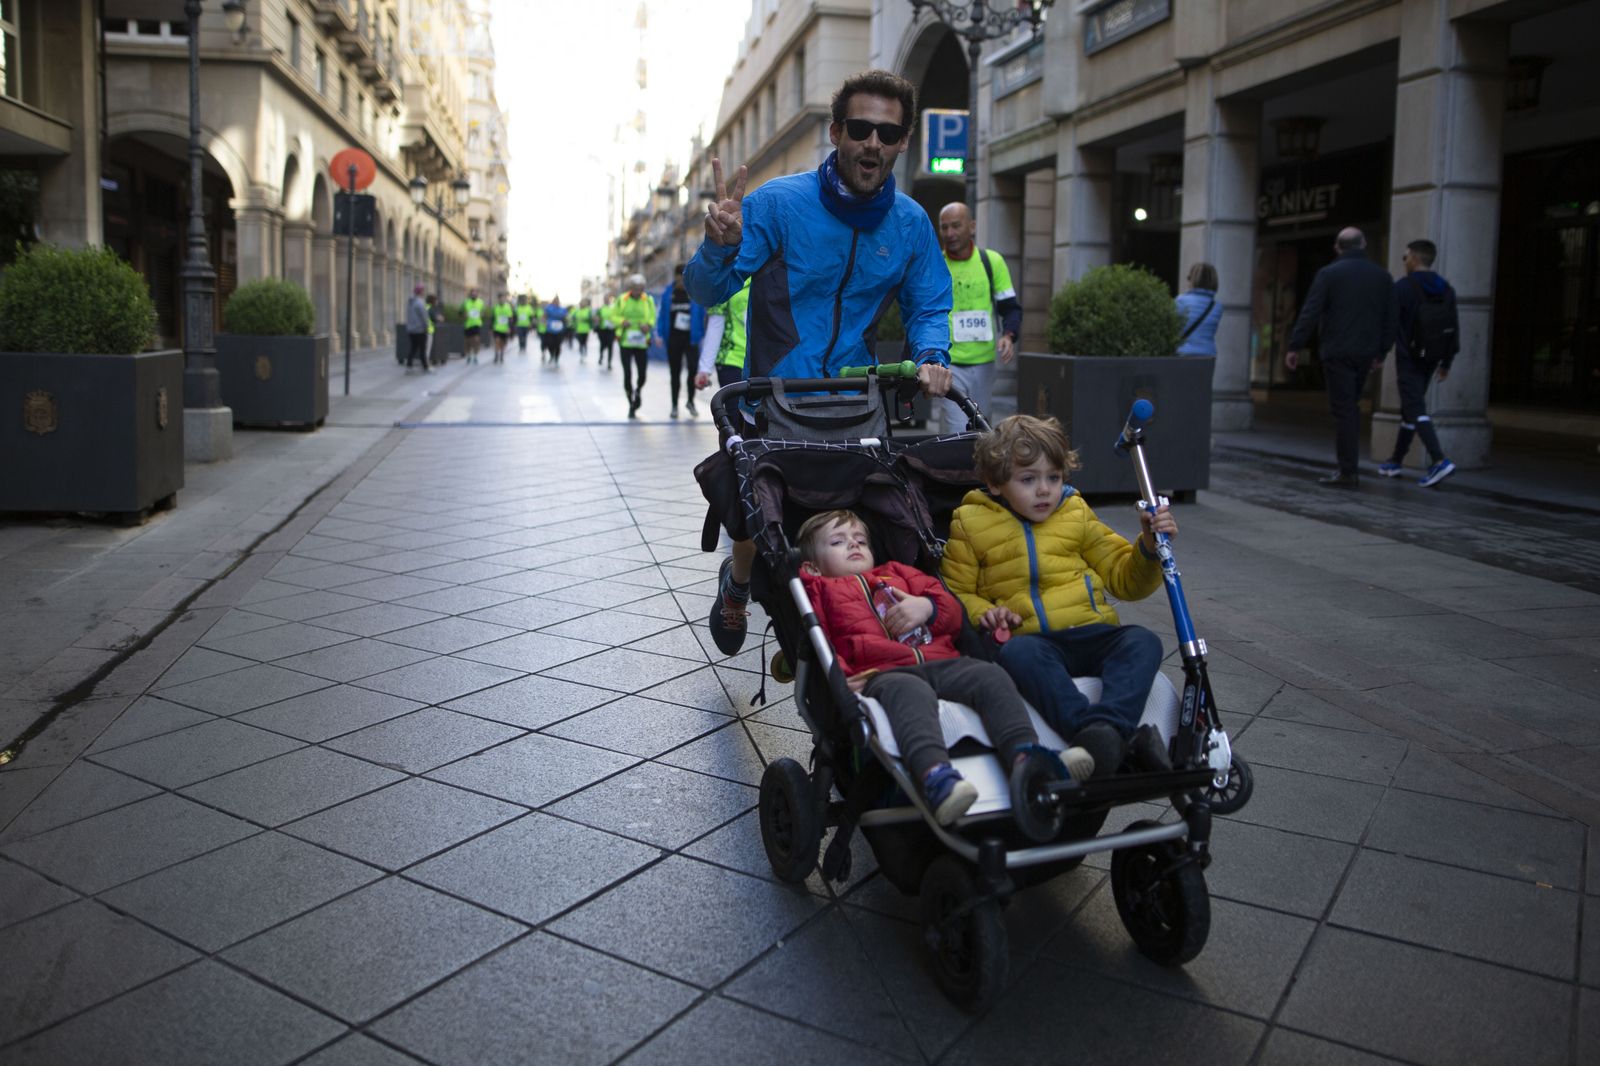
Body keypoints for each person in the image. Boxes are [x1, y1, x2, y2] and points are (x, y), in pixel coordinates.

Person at [685, 69, 954, 655]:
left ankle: (844, 620)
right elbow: (707, 290)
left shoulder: (909, 223)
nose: (873, 144)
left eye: (888, 132)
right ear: (836, 132)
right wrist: (719, 246)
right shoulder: (780, 204)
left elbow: (930, 303)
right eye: (861, 129)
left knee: (867, 523)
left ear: (904, 140)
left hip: (857, 400)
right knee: (759, 514)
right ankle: (737, 586)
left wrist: (932, 354)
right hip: (772, 395)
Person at [798, 510, 1090, 824]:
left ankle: (1027, 755)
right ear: (813, 566)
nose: (854, 546)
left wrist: (927, 606)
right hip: (884, 673)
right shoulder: (821, 592)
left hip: (942, 659)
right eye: (838, 542)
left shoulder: (898, 572)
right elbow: (823, 643)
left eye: (861, 540)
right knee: (910, 693)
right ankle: (936, 776)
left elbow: (952, 612)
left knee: (989, 675)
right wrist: (842, 678)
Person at [942, 414, 1177, 777]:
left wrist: (1147, 546)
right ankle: (1097, 733)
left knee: (1142, 641)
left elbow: (1124, 578)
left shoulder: (1075, 512)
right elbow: (956, 593)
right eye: (1028, 479)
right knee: (1018, 653)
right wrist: (986, 612)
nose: (1044, 490)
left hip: (1090, 630)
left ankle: (1106, 730)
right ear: (994, 483)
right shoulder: (970, 522)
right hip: (1033, 640)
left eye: (1053, 477)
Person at [1285, 227, 1398, 487]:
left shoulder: (1329, 274)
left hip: (1337, 351)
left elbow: (1310, 312)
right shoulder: (1382, 276)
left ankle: (1348, 470)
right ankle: (1348, 468)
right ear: (1364, 244)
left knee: (1345, 409)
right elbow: (1392, 317)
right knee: (1351, 406)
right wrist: (1381, 351)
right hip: (1366, 352)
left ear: (1338, 247)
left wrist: (1295, 346)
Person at [1379, 239, 1459, 488]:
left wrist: (1379, 353)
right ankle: (1395, 460)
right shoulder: (1446, 288)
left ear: (1414, 258)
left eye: (1405, 257)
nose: (1404, 262)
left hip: (1409, 357)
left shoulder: (1402, 287)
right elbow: (1453, 327)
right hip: (1433, 357)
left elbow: (1390, 324)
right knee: (1411, 409)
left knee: (1416, 408)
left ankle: (1439, 460)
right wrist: (1447, 362)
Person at [935, 202, 1020, 433]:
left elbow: (1010, 308)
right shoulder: (935, 264)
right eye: (944, 227)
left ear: (971, 227)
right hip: (949, 363)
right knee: (955, 431)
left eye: (955, 226)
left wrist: (1009, 335)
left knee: (981, 429)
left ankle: (977, 470)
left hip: (984, 364)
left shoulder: (992, 262)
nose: (949, 233)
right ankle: (953, 470)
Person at [658, 265, 705, 419]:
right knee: (675, 373)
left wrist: (701, 332)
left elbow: (703, 313)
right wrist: (659, 334)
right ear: (676, 276)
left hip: (691, 338)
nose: (682, 280)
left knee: (692, 369)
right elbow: (661, 315)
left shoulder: (695, 292)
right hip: (674, 338)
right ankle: (674, 405)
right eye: (680, 276)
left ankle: (690, 401)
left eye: (685, 276)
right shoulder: (668, 294)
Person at [697, 275, 751, 392]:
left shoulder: (766, 279)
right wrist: (705, 369)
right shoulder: (724, 283)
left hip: (761, 364)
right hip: (731, 360)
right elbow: (715, 327)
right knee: (736, 409)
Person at [614, 275, 657, 418]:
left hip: (641, 342)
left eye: (641, 289)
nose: (638, 292)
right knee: (627, 373)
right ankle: (631, 403)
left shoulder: (648, 299)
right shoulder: (622, 299)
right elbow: (614, 316)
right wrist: (622, 321)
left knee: (642, 374)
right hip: (626, 342)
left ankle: (638, 391)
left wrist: (648, 325)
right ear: (630, 288)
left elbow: (652, 316)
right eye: (636, 289)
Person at [1175, 262, 1222, 357]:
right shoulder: (1217, 307)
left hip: (1183, 353)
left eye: (1189, 278)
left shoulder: (1180, 300)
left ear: (1194, 280)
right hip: (1208, 355)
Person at [403, 284, 431, 373]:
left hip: (411, 329)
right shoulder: (420, 302)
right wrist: (426, 327)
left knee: (413, 348)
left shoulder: (410, 302)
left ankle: (409, 366)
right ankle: (425, 367)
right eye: (423, 290)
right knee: (423, 349)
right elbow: (424, 317)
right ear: (421, 292)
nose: (424, 292)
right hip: (420, 330)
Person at [543, 297, 569, 365]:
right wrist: (544, 322)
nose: (556, 302)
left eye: (557, 301)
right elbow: (544, 316)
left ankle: (556, 358)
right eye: (555, 301)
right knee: (550, 344)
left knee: (558, 345)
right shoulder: (548, 308)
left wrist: (566, 322)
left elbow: (566, 318)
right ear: (553, 301)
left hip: (559, 330)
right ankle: (552, 355)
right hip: (550, 329)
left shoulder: (562, 309)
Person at [595, 295, 619, 370]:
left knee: (610, 346)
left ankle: (609, 363)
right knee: (602, 345)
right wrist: (598, 319)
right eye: (605, 299)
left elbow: (616, 317)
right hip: (603, 330)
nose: (606, 301)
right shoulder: (600, 309)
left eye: (607, 299)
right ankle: (601, 356)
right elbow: (596, 318)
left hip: (611, 330)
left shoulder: (613, 308)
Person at [462, 288, 485, 364]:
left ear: (477, 295)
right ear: (470, 294)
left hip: (477, 324)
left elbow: (483, 312)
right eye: (472, 294)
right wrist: (464, 315)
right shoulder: (465, 302)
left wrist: (482, 314)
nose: (474, 295)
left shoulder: (480, 302)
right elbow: (460, 312)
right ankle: (468, 355)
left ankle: (475, 356)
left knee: (476, 340)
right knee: (467, 342)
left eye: (475, 294)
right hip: (468, 325)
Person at [490, 293, 513, 363]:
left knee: (503, 343)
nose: (501, 300)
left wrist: (509, 328)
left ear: (504, 299)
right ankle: (496, 355)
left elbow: (510, 318)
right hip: (497, 328)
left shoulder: (508, 307)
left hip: (505, 329)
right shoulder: (495, 307)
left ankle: (501, 355)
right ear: (498, 299)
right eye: (500, 298)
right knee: (497, 341)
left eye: (503, 298)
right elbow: (492, 318)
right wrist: (491, 328)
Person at [426, 293, 443, 365]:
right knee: (427, 348)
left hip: (423, 330)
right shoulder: (430, 309)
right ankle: (426, 363)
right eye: (436, 300)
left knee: (424, 348)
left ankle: (425, 362)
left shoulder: (426, 307)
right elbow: (434, 318)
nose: (437, 302)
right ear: (432, 301)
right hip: (428, 330)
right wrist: (440, 318)